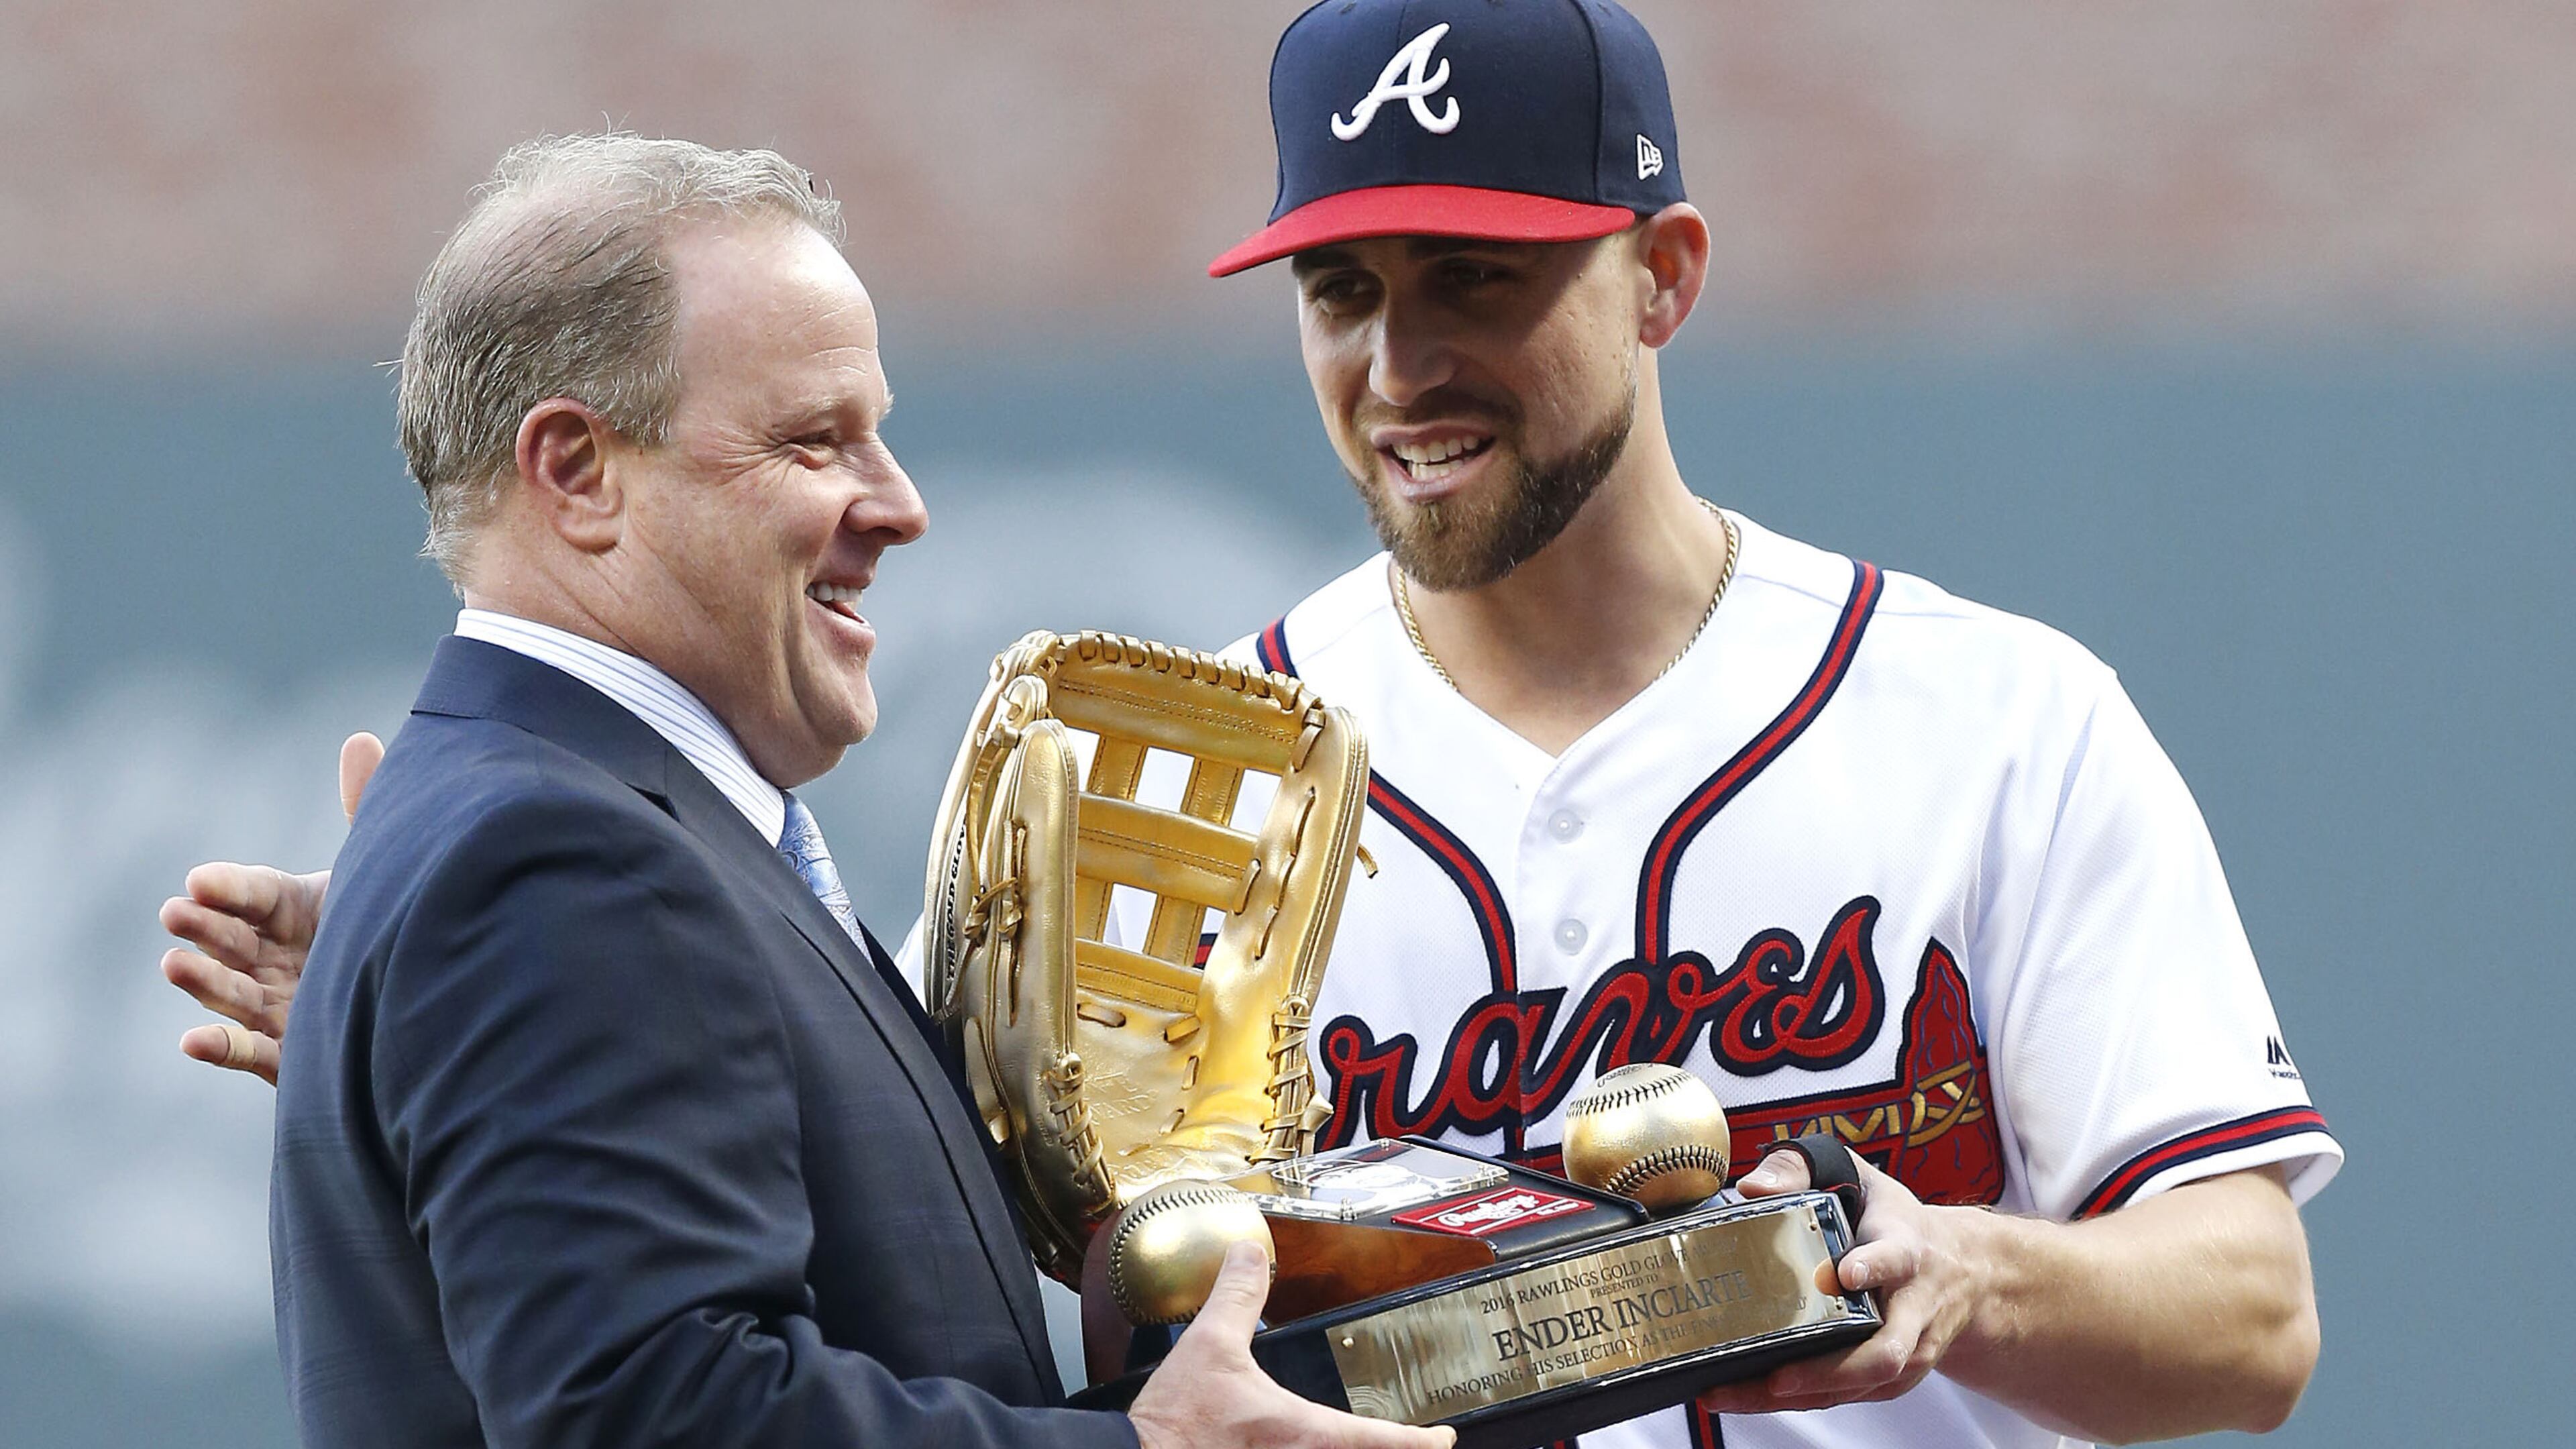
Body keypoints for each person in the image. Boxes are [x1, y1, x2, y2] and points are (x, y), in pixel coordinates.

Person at [168, 7, 2338, 1447]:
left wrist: (1981, 1264)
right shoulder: (1193, 790)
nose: (1400, 362)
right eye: (1343, 291)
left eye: (1474, 278)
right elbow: (895, 1226)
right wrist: (441, 1011)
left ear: (1662, 274)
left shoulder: (1991, 720)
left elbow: (2251, 1318)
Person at [178, 131, 1446, 1449]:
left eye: (877, 437)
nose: (898, 504)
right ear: (577, 472)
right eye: (814, 442)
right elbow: (660, 1420)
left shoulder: (569, 835)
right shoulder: (560, 864)